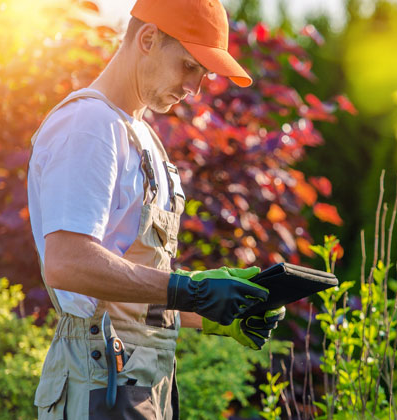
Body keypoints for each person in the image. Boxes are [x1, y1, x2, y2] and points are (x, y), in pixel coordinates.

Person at [27, 0, 284, 418]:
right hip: (100, 383)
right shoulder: (89, 126)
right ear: (147, 39)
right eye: (188, 66)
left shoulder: (143, 137)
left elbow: (134, 296)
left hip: (142, 380)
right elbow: (67, 262)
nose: (194, 88)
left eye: (203, 74)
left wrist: (216, 310)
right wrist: (191, 291)